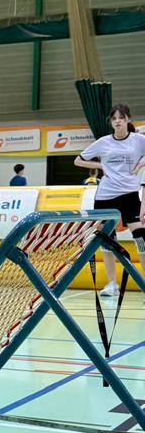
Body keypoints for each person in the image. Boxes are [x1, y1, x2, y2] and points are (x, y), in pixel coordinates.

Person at [75, 104, 145, 299]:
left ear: (128, 119)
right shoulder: (103, 142)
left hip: (129, 194)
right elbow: (78, 160)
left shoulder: (138, 140)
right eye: (114, 118)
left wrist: (141, 163)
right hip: (105, 195)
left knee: (141, 239)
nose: (117, 121)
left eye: (121, 117)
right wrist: (100, 166)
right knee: (107, 241)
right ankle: (112, 284)